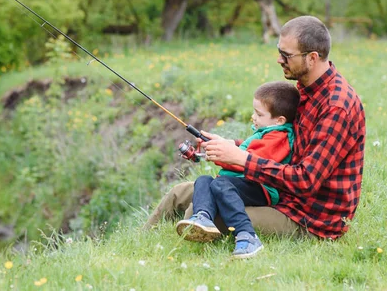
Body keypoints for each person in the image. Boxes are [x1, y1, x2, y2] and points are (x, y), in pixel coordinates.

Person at [144, 16, 366, 248]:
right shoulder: (306, 89)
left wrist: (242, 159)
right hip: (280, 195)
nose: (279, 59)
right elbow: (281, 140)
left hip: (308, 218)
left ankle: (173, 251)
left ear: (312, 58)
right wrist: (233, 144)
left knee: (201, 213)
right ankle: (139, 245)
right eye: (279, 51)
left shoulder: (336, 107)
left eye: (287, 55)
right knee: (181, 193)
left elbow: (306, 180)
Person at [175, 81, 300, 259]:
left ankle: (247, 236)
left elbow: (247, 160)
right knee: (203, 180)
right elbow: (246, 147)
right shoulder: (266, 131)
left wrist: (222, 155)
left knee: (220, 185)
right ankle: (202, 218)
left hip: (262, 188)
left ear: (279, 120)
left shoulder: (279, 138)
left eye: (259, 114)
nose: (253, 117)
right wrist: (221, 144)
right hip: (244, 181)